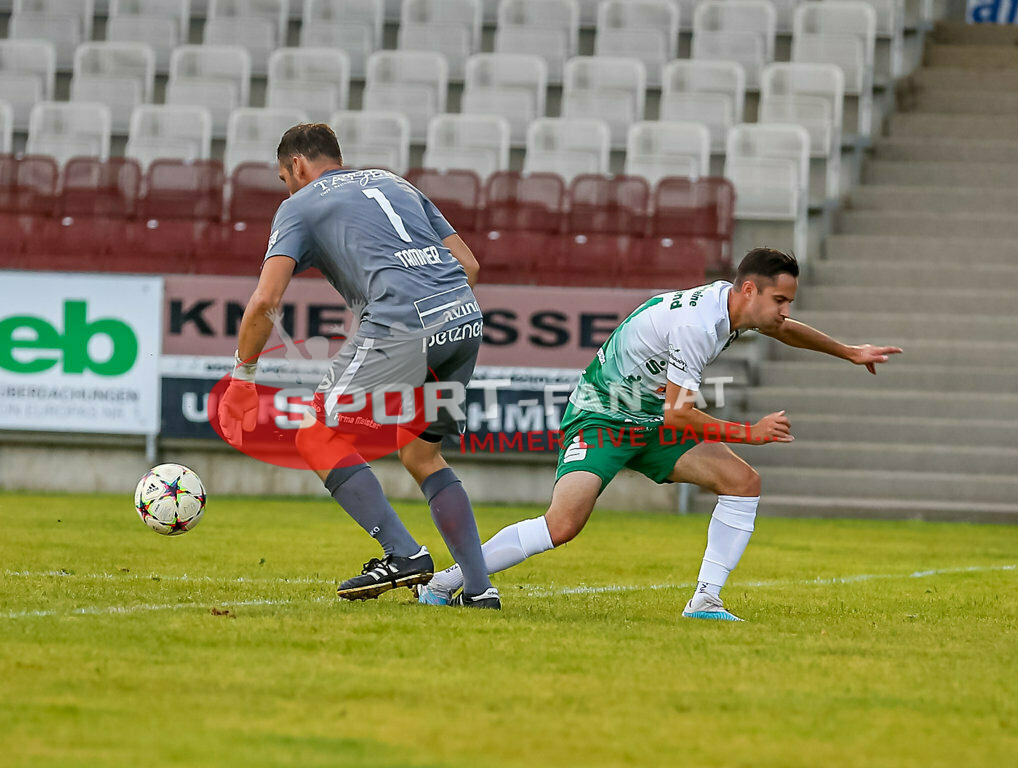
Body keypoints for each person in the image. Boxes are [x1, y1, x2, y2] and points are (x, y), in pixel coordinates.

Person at [417, 248, 902, 620]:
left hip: (649, 416)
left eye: (789, 302)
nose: (784, 310)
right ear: (750, 290)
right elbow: (679, 415)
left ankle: (705, 600)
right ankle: (444, 582)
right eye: (780, 300)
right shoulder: (697, 324)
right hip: (605, 415)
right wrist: (749, 433)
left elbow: (783, 330)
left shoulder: (732, 305)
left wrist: (849, 352)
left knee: (742, 483)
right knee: (561, 525)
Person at [217, 123, 500, 608]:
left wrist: (243, 378)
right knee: (422, 455)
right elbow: (469, 266)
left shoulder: (298, 206)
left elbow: (266, 299)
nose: (288, 185)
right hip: (462, 316)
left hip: (403, 321)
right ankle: (478, 590)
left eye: (286, 176)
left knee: (315, 433)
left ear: (298, 166)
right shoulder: (396, 182)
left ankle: (404, 553)